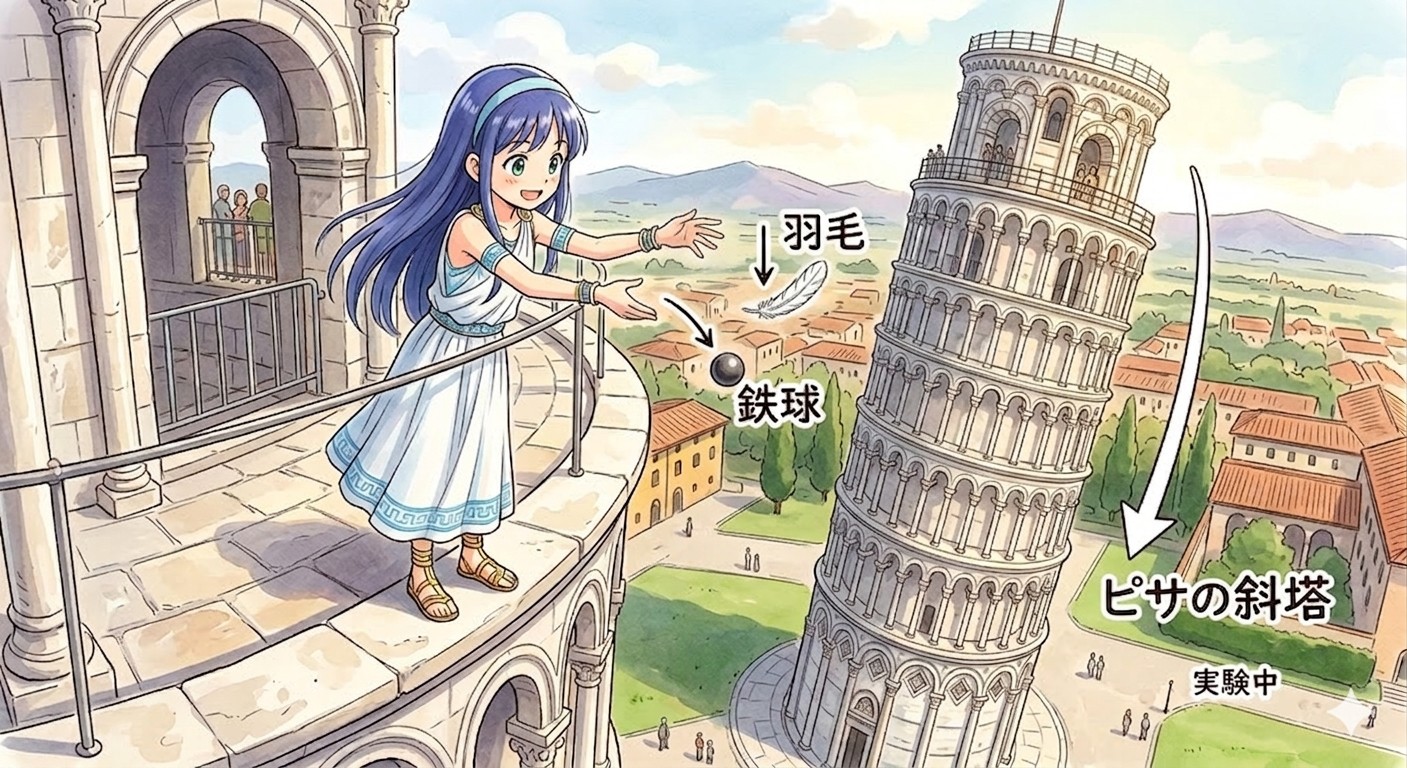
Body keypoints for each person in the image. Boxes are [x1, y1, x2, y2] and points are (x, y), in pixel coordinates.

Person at [320, 64, 723, 622]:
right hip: (445, 356)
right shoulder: (469, 227)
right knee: (432, 456)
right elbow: (527, 281)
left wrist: (657, 237)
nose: (539, 178)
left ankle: (472, 551)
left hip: (487, 358)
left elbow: (588, 244)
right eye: (519, 162)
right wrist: (596, 296)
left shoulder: (527, 220)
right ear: (475, 165)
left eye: (553, 162)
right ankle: (421, 569)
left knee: (481, 451)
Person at [249, 182, 274, 280]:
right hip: (262, 233)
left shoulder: (258, 205)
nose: (262, 192)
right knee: (266, 256)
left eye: (263, 190)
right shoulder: (258, 205)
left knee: (263, 256)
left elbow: (249, 217)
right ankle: (267, 275)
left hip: (263, 234)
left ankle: (262, 275)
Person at [211, 185, 234, 274]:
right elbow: (229, 215)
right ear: (220, 193)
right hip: (224, 230)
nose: (226, 194)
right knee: (226, 251)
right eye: (224, 192)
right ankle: (227, 271)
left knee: (221, 251)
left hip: (220, 231)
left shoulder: (217, 204)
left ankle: (222, 271)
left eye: (227, 192)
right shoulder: (222, 204)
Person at [231, 188, 251, 279]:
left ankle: (247, 274)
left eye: (243, 198)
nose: (241, 200)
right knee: (237, 255)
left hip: (244, 233)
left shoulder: (247, 210)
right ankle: (238, 274)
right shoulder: (234, 211)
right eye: (239, 198)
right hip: (236, 234)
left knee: (245, 254)